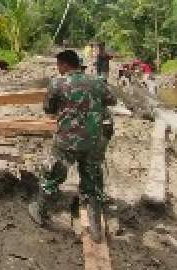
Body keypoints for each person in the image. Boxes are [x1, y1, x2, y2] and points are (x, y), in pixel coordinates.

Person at [29, 49, 116, 242]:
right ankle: (95, 227)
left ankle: (40, 210)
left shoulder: (57, 83)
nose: (58, 69)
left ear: (65, 65)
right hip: (94, 140)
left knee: (53, 174)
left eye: (59, 65)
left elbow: (48, 109)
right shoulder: (97, 81)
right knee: (92, 180)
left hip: (67, 141)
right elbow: (112, 100)